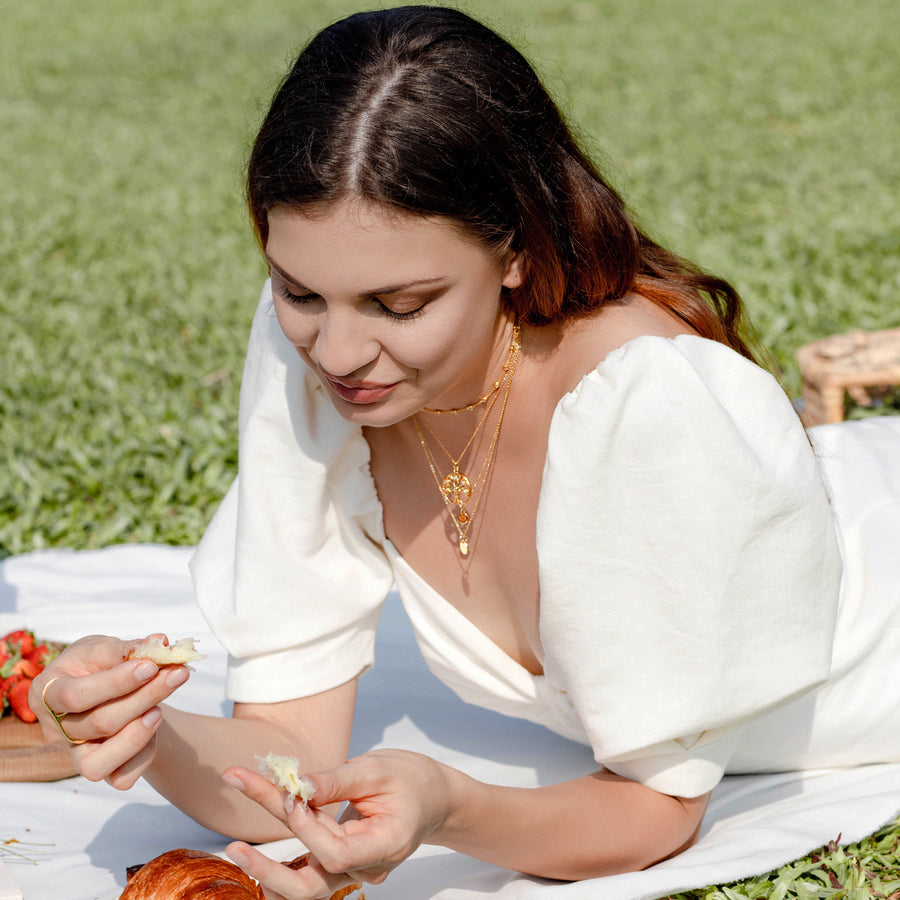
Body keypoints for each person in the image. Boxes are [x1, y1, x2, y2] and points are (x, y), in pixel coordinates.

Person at [30, 6, 900, 899]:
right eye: (298, 290)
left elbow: (655, 811)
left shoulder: (646, 407)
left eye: (399, 304)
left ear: (515, 249)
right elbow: (287, 751)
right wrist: (145, 730)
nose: (334, 353)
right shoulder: (320, 355)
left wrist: (449, 806)